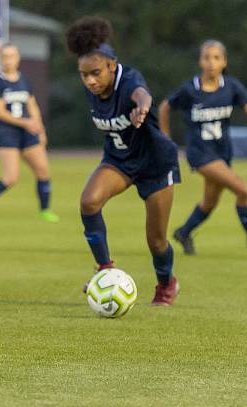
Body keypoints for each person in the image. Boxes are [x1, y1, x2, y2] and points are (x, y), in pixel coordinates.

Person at [66, 16, 181, 306]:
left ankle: (167, 283)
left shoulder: (128, 79)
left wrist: (142, 108)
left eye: (95, 73)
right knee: (89, 202)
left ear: (112, 65)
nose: (90, 80)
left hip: (155, 164)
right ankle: (105, 270)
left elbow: (142, 94)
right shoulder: (92, 87)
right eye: (84, 75)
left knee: (156, 241)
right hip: (119, 160)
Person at [159, 40, 247, 258]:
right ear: (200, 61)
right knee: (242, 190)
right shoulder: (189, 89)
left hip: (222, 153)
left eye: (216, 58)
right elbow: (165, 107)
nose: (211, 63)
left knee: (209, 203)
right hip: (200, 154)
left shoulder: (231, 87)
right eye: (206, 57)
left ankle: (184, 233)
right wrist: (166, 139)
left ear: (224, 62)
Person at [0, 43, 59, 223]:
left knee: (43, 171)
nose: (8, 60)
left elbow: (32, 105)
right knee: (10, 178)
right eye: (5, 56)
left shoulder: (24, 79)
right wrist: (26, 123)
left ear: (18, 58)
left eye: (12, 56)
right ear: (0, 59)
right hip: (8, 133)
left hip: (29, 133)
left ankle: (45, 210)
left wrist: (40, 129)